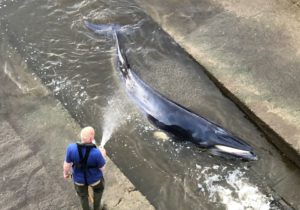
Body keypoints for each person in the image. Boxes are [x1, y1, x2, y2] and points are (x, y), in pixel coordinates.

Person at [63, 126, 106, 210]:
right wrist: (103, 156)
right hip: (95, 180)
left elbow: (67, 164)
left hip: (79, 181)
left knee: (83, 196)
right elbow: (102, 168)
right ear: (91, 139)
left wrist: (65, 173)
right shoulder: (97, 153)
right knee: (98, 191)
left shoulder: (71, 148)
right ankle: (97, 207)